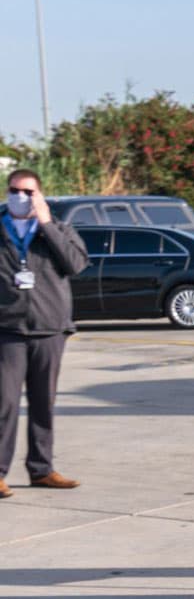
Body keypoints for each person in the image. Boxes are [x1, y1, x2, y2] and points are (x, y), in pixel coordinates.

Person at [0, 168, 89, 497]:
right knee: (5, 402)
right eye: (14, 190)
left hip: (49, 329)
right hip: (7, 329)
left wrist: (47, 225)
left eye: (27, 192)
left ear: (40, 195)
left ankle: (42, 469)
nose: (19, 197)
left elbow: (76, 264)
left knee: (43, 403)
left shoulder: (59, 230)